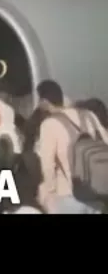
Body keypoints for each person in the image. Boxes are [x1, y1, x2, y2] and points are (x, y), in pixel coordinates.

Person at [36, 79, 108, 214]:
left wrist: (48, 194)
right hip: (97, 193)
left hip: (69, 195)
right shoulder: (89, 115)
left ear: (44, 102)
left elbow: (48, 165)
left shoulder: (49, 124)